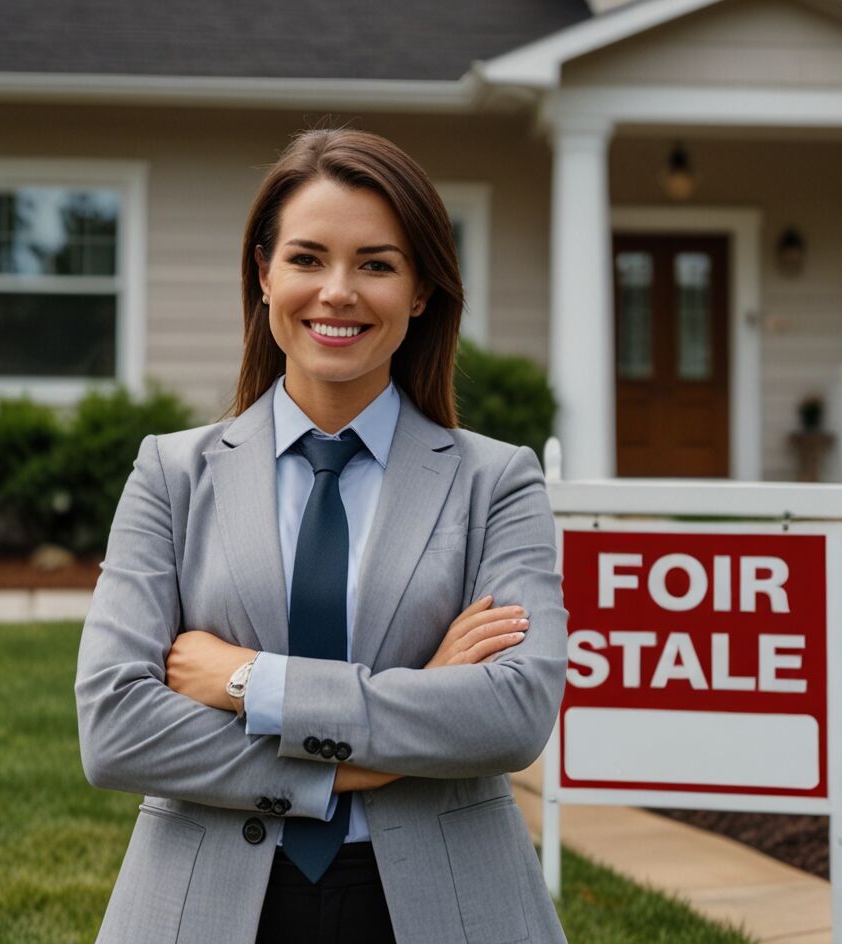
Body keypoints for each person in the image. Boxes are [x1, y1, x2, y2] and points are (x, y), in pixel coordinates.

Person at [75, 127, 569, 944]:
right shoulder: (170, 474)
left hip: (448, 904)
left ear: (419, 292)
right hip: (202, 904)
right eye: (307, 259)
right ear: (264, 274)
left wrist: (249, 681)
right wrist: (405, 716)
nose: (337, 291)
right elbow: (116, 729)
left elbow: (513, 715)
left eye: (376, 264)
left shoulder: (497, 481)